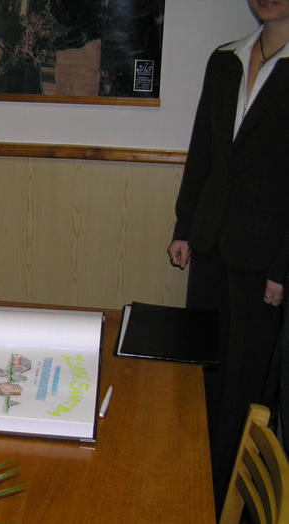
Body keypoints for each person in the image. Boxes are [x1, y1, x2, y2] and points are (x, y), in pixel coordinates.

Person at [166, 0, 289, 513]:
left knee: (244, 389)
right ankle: (191, 485)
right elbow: (203, 151)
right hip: (211, 243)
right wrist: (185, 228)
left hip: (265, 260)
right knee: (202, 376)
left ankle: (224, 504)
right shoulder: (225, 60)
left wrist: (283, 267)